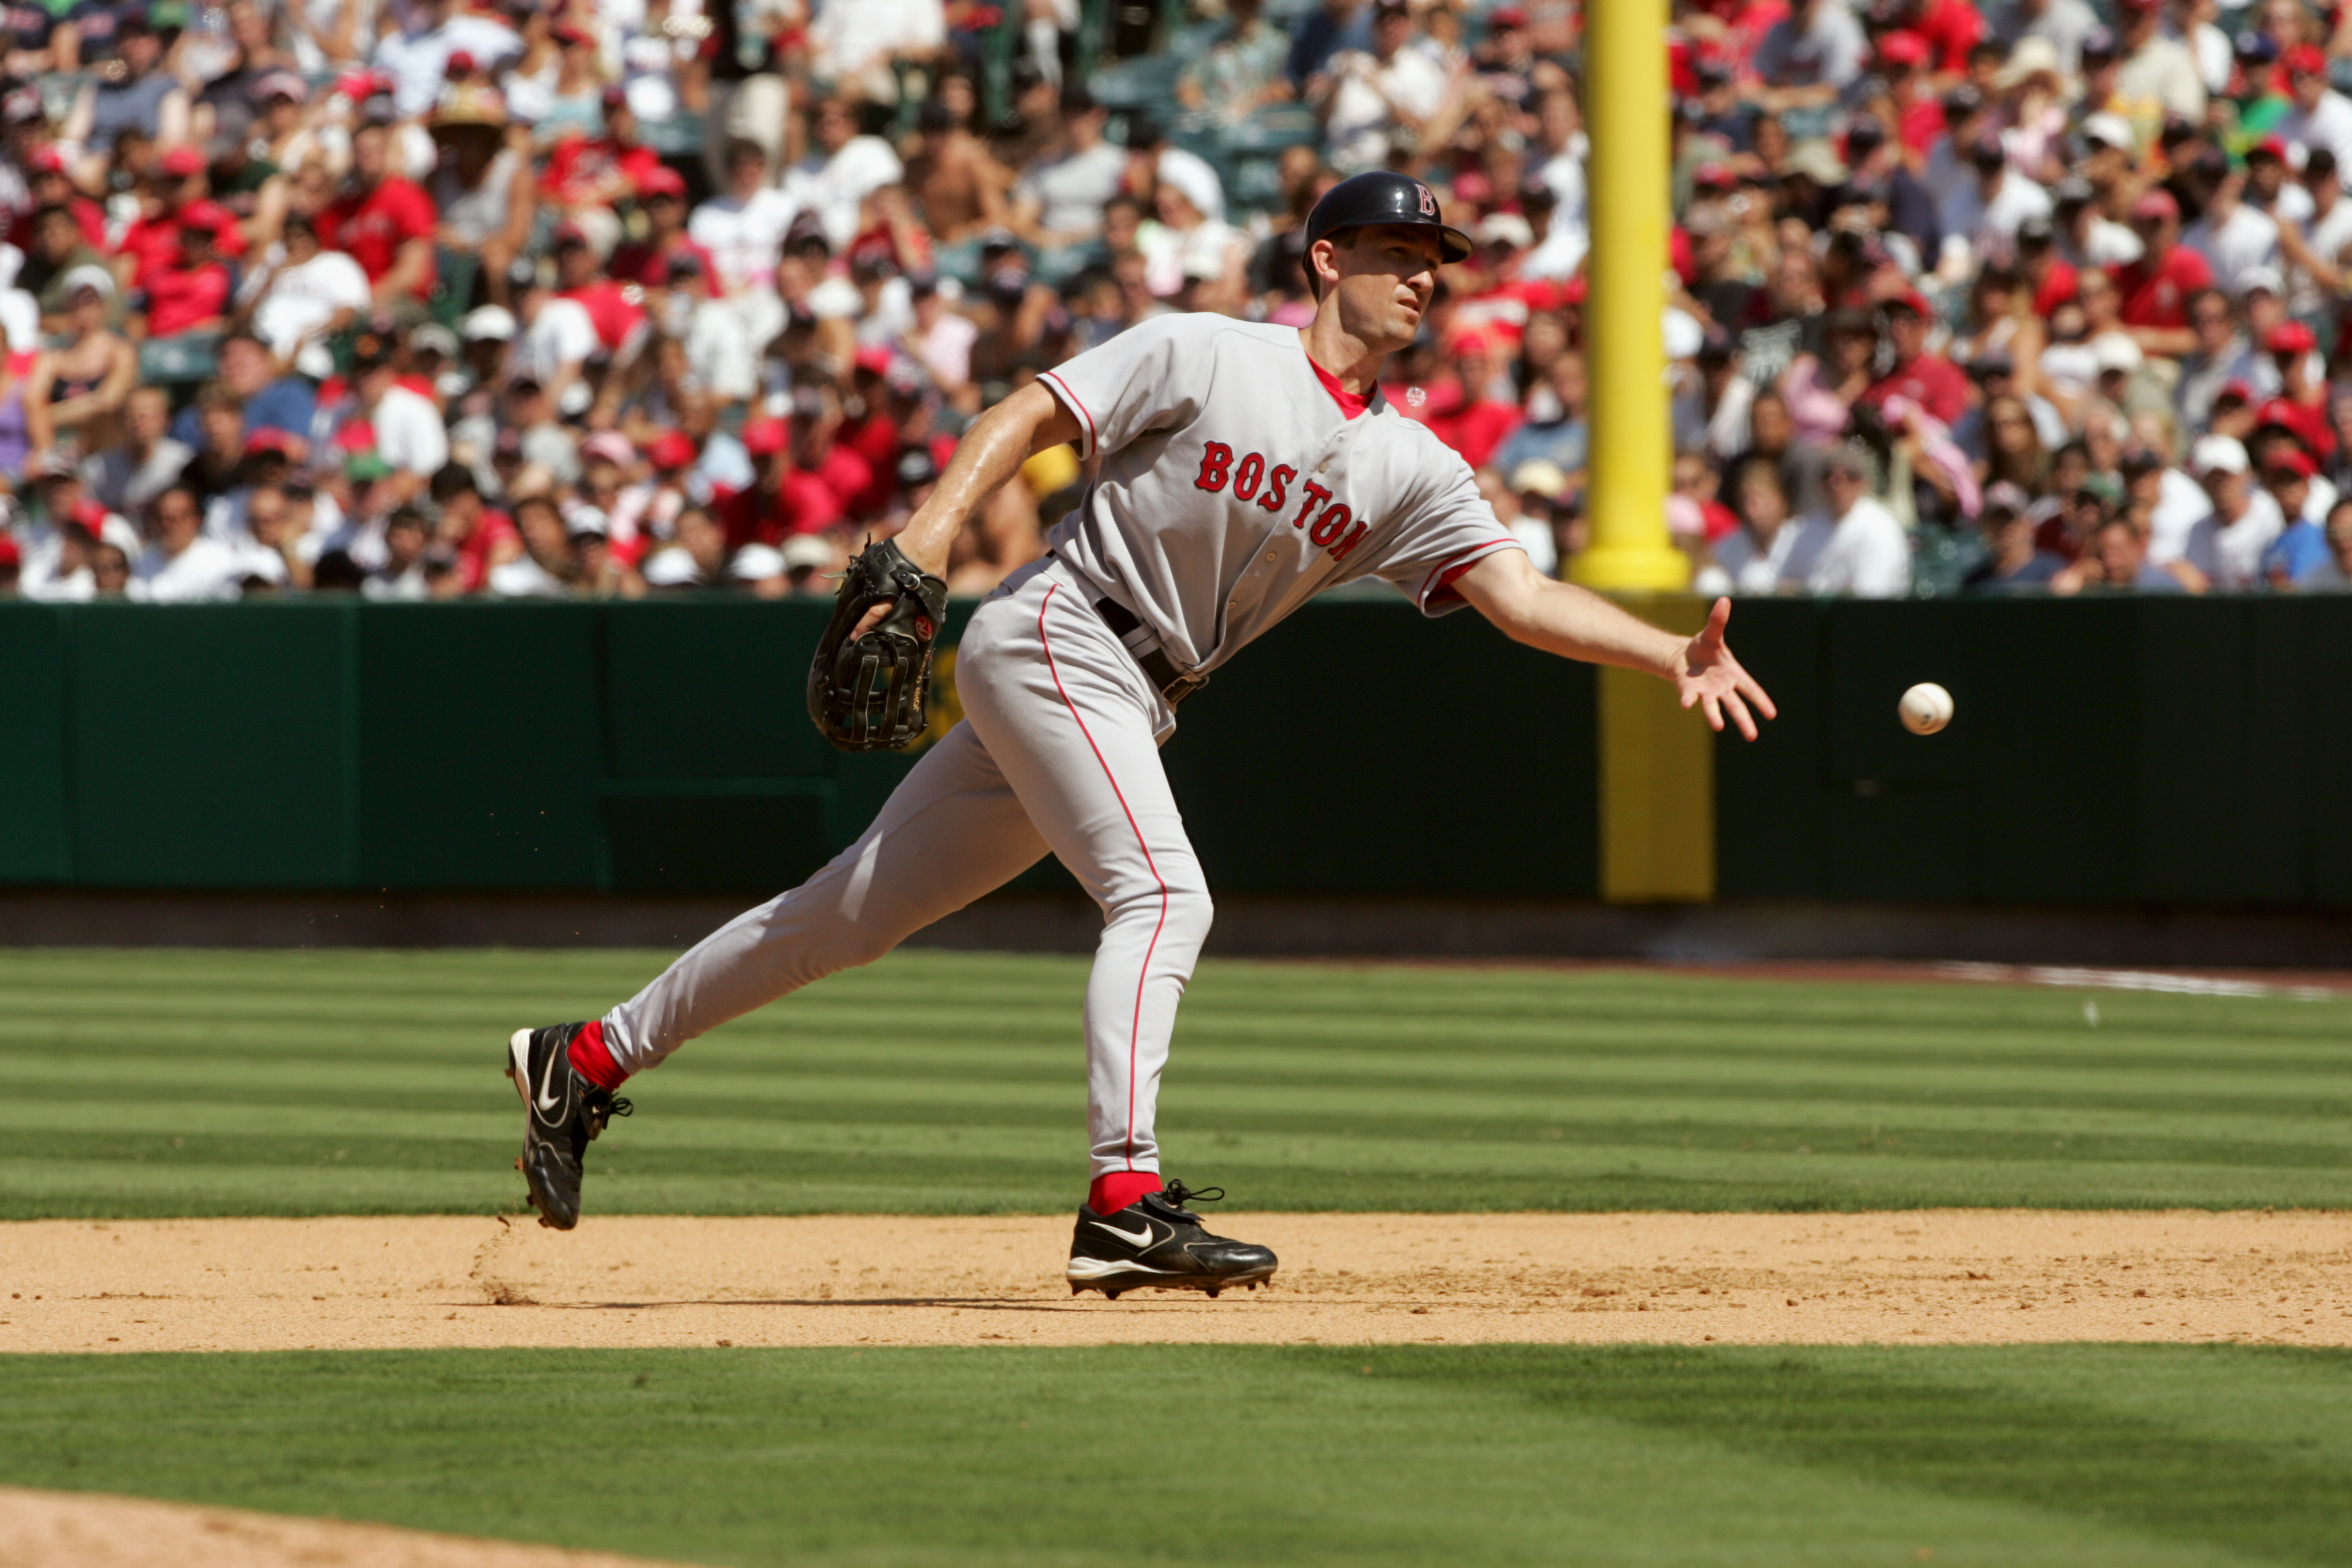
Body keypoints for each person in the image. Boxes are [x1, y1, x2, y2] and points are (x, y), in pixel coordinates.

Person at [499, 173, 1777, 1298]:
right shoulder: (1214, 354)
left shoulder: (1410, 464)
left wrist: (1670, 650)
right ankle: (1124, 1206)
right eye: (1398, 255)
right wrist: (938, 531)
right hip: (1062, 628)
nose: (1421, 283)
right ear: (1327, 260)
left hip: (1132, 690)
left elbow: (1520, 596)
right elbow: (1031, 414)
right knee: (1164, 894)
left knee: (852, 914)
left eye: (1434, 268)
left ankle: (586, 1056)